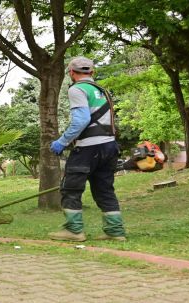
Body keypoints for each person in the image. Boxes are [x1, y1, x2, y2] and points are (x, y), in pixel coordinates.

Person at [48, 56, 126, 242]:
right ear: (92, 72)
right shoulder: (102, 91)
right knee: (104, 189)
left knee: (71, 188)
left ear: (72, 73)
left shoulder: (77, 89)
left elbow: (81, 120)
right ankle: (115, 232)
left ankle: (74, 231)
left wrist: (63, 141)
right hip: (109, 146)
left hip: (89, 148)